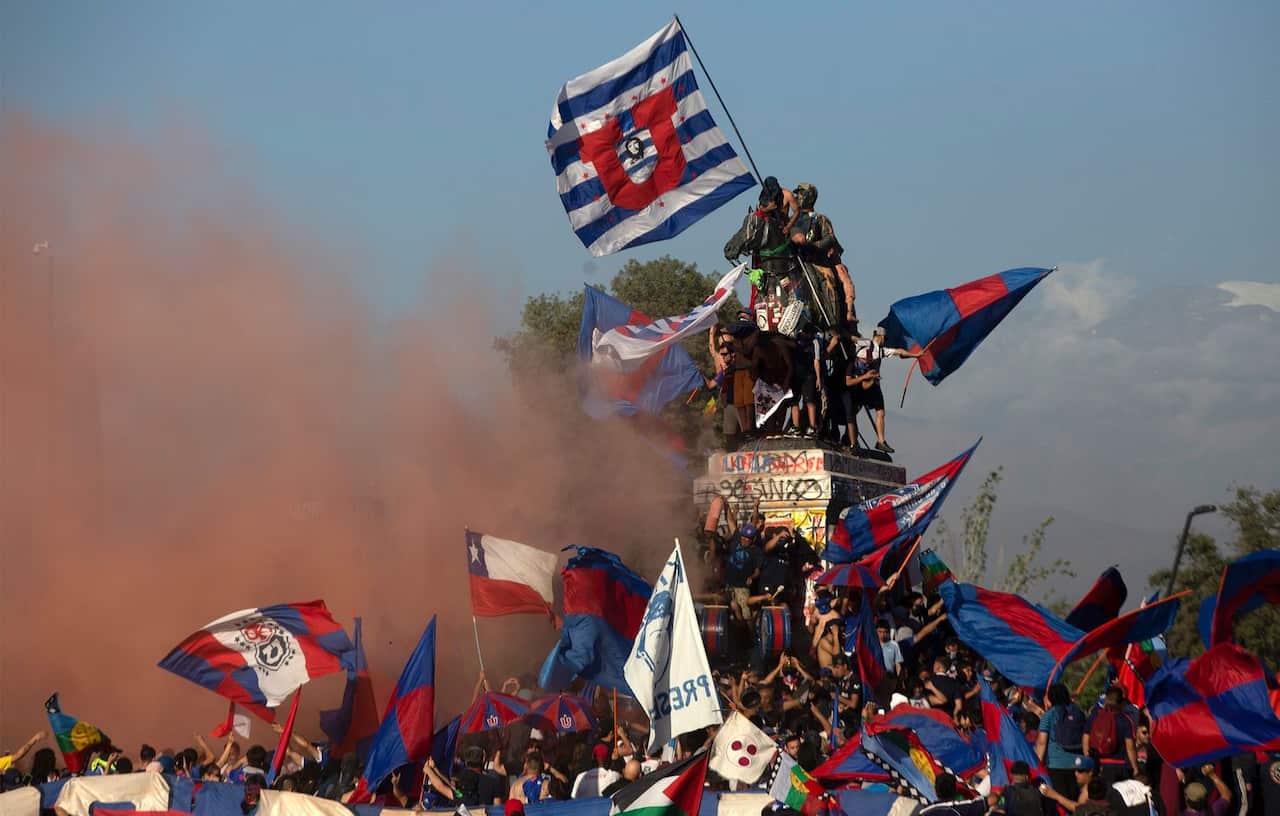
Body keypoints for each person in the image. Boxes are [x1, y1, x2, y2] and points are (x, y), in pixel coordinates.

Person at [789, 183, 856, 328]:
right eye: (797, 194)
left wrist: (812, 246)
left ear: (809, 197)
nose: (797, 197)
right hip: (796, 261)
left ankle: (834, 323)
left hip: (817, 262)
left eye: (800, 194)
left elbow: (829, 238)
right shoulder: (792, 220)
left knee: (829, 281)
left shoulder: (820, 219)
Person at [847, 328, 923, 454]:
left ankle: (881, 441)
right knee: (854, 412)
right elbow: (853, 341)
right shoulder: (866, 343)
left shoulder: (882, 351)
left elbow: (899, 352)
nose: (885, 341)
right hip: (861, 383)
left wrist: (915, 355)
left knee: (880, 412)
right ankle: (850, 438)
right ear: (881, 336)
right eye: (885, 339)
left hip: (874, 385)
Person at [1038, 683, 1088, 800]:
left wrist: (1038, 765)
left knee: (1060, 801)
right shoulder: (1078, 712)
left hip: (1056, 765)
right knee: (1075, 800)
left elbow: (1042, 743)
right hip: (1077, 764)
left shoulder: (1049, 715)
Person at [1083, 687, 1138, 785]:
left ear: (1106, 699)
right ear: (1121, 702)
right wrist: (1135, 768)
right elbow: (1130, 748)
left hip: (1098, 764)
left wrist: (1088, 759)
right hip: (1119, 765)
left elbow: (1085, 739)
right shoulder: (1125, 720)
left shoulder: (1095, 716)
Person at [785, 323, 822, 438]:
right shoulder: (796, 339)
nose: (813, 335)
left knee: (809, 401)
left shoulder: (814, 342)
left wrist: (818, 378)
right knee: (794, 401)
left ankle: (812, 427)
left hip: (808, 375)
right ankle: (796, 427)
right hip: (797, 375)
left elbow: (816, 360)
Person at [725, 525, 762, 626]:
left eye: (748, 538)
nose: (744, 540)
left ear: (753, 539)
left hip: (742, 587)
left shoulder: (756, 552)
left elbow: (757, 571)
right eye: (743, 537)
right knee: (730, 610)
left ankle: (748, 632)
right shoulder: (735, 542)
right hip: (728, 585)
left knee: (746, 615)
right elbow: (731, 522)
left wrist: (752, 577)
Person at [918, 772, 988, 816]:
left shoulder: (924, 813)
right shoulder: (960, 809)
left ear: (936, 792)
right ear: (955, 791)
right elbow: (989, 801)